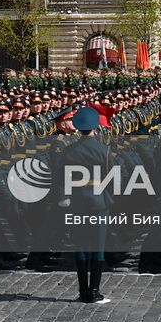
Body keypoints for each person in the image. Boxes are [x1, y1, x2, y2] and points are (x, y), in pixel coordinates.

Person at [56, 105, 111, 302]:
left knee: (79, 244)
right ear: (95, 127)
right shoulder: (104, 150)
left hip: (77, 200)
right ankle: (94, 291)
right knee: (98, 246)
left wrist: (64, 197)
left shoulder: (69, 150)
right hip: (98, 201)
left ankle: (82, 291)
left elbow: (60, 177)